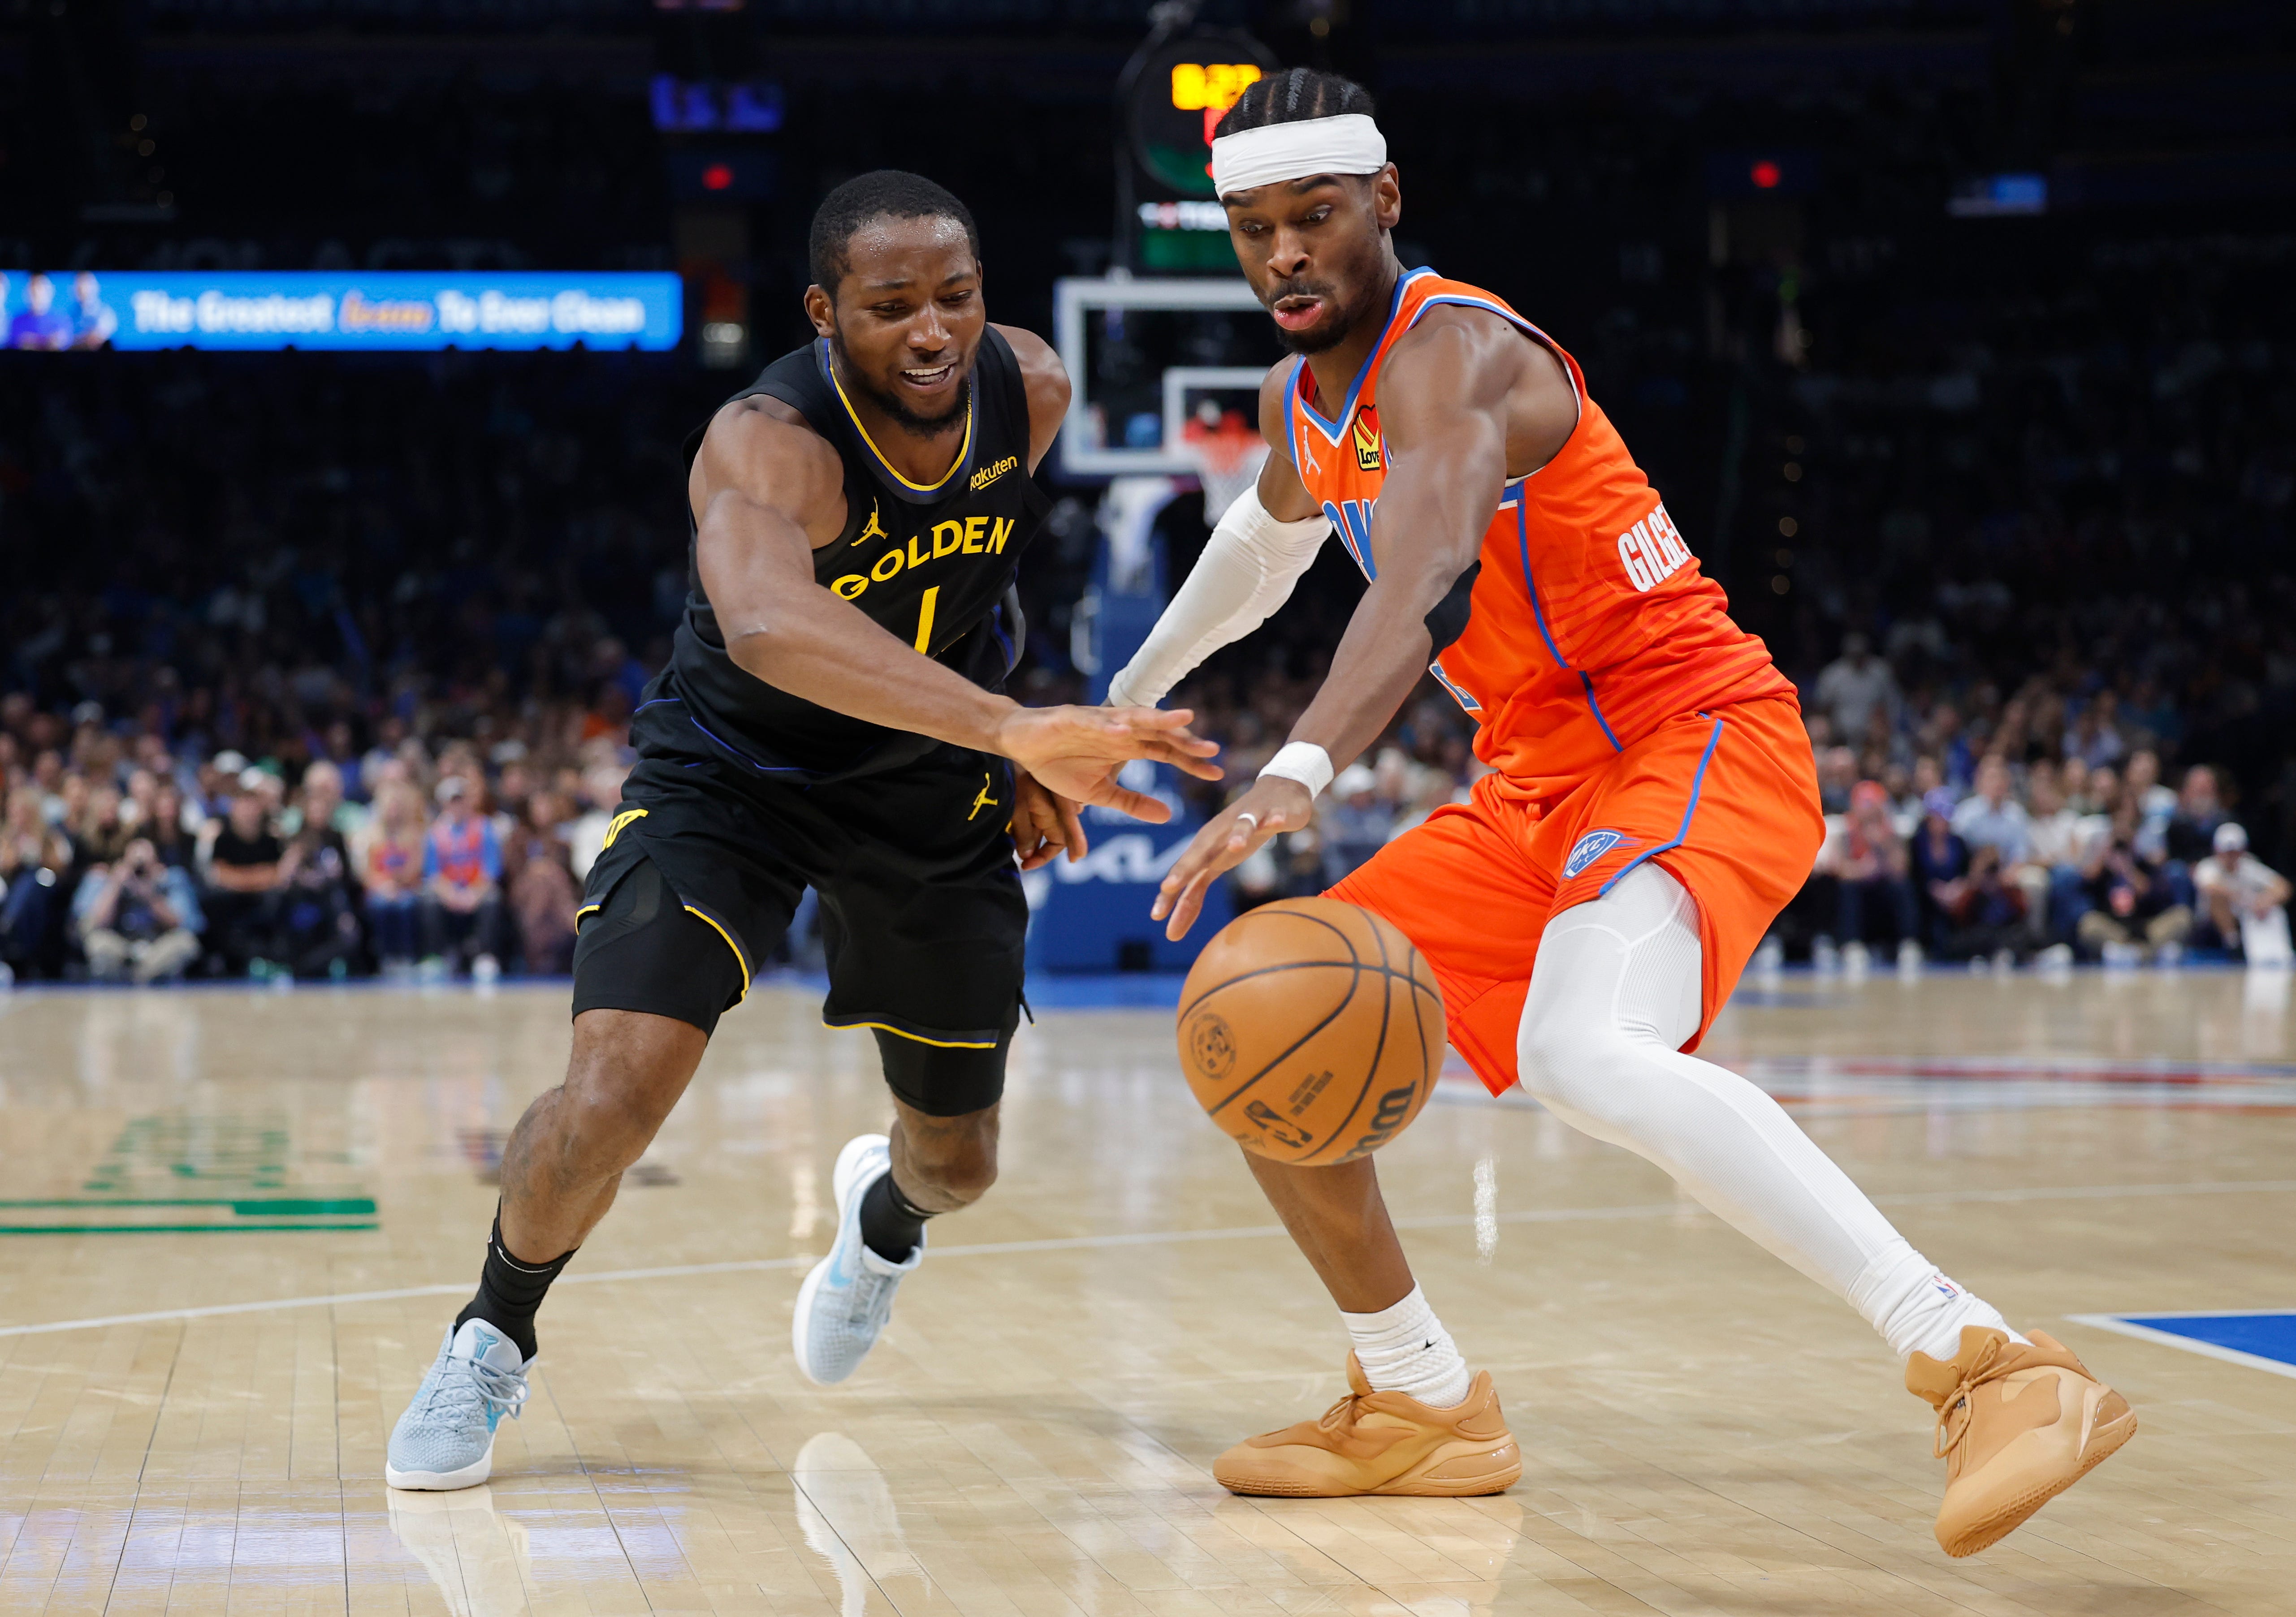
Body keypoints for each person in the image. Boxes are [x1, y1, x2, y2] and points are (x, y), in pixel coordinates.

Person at [1107, 69, 2130, 1556]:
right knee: (1260, 1021)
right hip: (1531, 777)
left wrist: (1297, 769)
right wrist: (1124, 693)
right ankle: (1420, 1398)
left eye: (1313, 216)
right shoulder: (1297, 396)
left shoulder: (1454, 354)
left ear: (1383, 200)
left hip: (1692, 732)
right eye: (1254, 227)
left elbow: (1422, 579)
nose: (1283, 254)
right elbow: (1265, 547)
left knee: (1582, 1048)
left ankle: (1991, 1359)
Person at [384, 170, 1218, 1492]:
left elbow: (988, 574)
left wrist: (1020, 744)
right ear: (827, 315)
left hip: (931, 790)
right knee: (610, 1093)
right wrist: (1010, 725)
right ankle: (494, 1330)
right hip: (734, 780)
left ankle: (879, 1227)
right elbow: (769, 625)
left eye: (956, 296)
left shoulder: (1033, 390)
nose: (934, 331)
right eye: (893, 308)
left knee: (959, 1165)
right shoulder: (768, 442)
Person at [73, 838, 203, 984]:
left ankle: (141, 977)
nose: (138, 870)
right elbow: (97, 924)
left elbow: (180, 924)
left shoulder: (172, 879)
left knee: (185, 943)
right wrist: (116, 885)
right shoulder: (106, 879)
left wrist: (150, 893)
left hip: (157, 947)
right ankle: (135, 978)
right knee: (98, 942)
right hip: (122, 944)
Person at [419, 777, 506, 979]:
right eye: (452, 801)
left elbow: (491, 870)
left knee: (492, 899)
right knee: (428, 900)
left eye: (460, 800)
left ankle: (485, 956)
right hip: (448, 891)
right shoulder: (435, 833)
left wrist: (473, 894)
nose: (457, 806)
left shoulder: (485, 828)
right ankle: (437, 956)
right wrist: (451, 895)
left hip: (477, 889)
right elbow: (433, 874)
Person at [2192, 822, 2291, 963]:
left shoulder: (2249, 866)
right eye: (2227, 851)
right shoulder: (2207, 867)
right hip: (2210, 926)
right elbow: (2209, 887)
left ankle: (2273, 950)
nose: (2231, 856)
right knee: (2218, 898)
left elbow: (2283, 887)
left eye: (2235, 851)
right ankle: (2233, 943)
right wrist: (2243, 898)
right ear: (2217, 850)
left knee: (2273, 907)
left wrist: (2265, 901)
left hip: (2245, 919)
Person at [362, 780, 427, 975]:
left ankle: (407, 956)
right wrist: (384, 886)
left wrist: (399, 883)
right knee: (381, 906)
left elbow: (416, 868)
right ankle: (386, 957)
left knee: (406, 906)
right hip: (382, 890)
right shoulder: (373, 837)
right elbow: (367, 872)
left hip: (407, 889)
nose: (393, 811)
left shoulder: (414, 836)